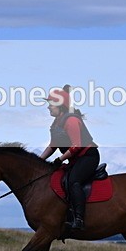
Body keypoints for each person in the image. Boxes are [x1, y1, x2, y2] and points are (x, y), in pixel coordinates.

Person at [39, 84, 99, 231]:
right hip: (75, 158)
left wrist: (60, 159)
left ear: (60, 105)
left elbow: (76, 146)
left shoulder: (71, 121)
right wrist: (39, 161)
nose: (48, 107)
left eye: (51, 104)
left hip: (88, 156)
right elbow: (53, 145)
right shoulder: (57, 122)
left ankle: (79, 219)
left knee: (73, 181)